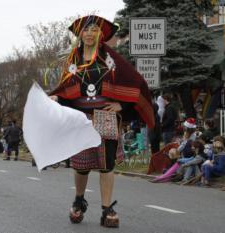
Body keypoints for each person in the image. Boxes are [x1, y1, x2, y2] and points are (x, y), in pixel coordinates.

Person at [49, 15, 154, 228]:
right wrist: (57, 97)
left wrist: (122, 106)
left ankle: (107, 209)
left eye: (94, 29)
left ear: (101, 34)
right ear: (80, 34)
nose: (89, 33)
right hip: (80, 119)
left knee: (107, 165)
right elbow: (64, 88)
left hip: (105, 116)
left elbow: (135, 82)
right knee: (81, 166)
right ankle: (79, 201)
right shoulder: (73, 60)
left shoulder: (110, 59)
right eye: (86, 30)